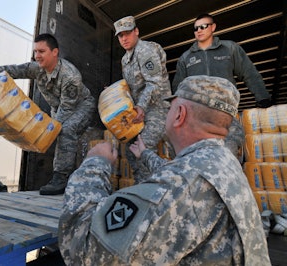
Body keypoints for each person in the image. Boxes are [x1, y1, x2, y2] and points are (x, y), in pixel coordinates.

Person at [58, 75, 270, 265]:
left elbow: (84, 251)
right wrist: (145, 154)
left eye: (170, 108)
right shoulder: (221, 162)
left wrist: (96, 163)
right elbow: (176, 174)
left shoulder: (184, 183)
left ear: (179, 114)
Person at [0, 33, 95, 195]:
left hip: (81, 106)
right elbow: (13, 70)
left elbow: (67, 110)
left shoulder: (70, 76)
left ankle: (61, 178)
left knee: (65, 130)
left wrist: (45, 131)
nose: (37, 56)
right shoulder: (37, 68)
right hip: (59, 106)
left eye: (41, 51)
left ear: (55, 52)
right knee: (52, 131)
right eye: (35, 52)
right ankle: (64, 172)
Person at [172, 13, 272, 159]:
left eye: (203, 26)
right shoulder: (186, 58)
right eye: (195, 28)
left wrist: (262, 96)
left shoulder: (229, 48)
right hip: (198, 117)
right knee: (198, 159)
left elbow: (248, 72)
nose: (199, 30)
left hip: (225, 114)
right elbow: (178, 89)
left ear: (213, 27)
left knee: (229, 154)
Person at [113, 16, 172, 182]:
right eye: (120, 35)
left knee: (143, 146)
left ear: (136, 31)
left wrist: (141, 107)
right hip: (141, 109)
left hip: (158, 108)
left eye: (127, 33)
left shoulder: (145, 50)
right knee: (130, 149)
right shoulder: (125, 59)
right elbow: (132, 88)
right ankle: (143, 185)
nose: (124, 38)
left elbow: (154, 83)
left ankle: (150, 192)